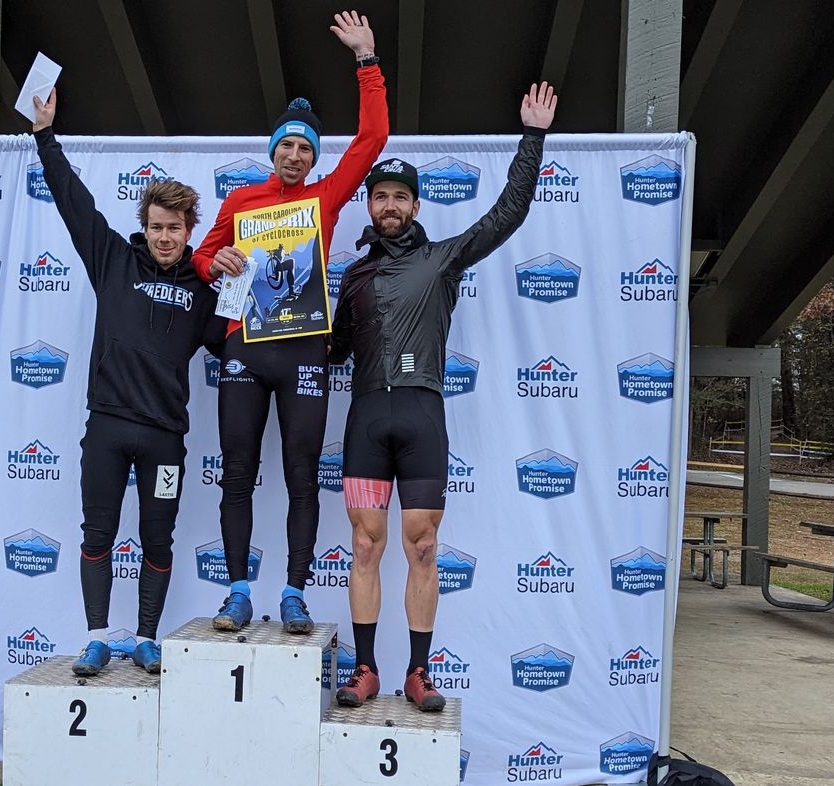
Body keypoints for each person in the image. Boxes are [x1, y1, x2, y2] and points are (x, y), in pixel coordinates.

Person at [329, 82, 558, 710]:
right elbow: (331, 351)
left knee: (423, 545)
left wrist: (532, 136)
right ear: (369, 206)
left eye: (401, 196)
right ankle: (367, 668)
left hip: (424, 412)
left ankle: (419, 672)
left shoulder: (444, 257)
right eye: (381, 197)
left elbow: (507, 214)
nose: (390, 206)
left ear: (415, 204)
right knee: (366, 544)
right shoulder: (352, 275)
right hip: (367, 417)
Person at [192, 10, 388, 634]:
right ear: (272, 150)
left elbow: (372, 142)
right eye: (288, 145)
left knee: (303, 478)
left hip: (304, 350)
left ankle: (296, 592)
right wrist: (212, 260)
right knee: (238, 474)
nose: (296, 155)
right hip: (245, 350)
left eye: (306, 147)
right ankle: (238, 592)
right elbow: (202, 256)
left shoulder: (324, 197)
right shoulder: (240, 199)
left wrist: (367, 62)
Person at [30, 88, 224, 676]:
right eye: (158, 227)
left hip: (165, 438)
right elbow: (74, 203)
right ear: (145, 226)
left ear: (192, 230)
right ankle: (96, 636)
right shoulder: (113, 260)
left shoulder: (205, 289)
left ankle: (145, 637)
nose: (167, 237)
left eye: (177, 229)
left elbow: (241, 339)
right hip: (109, 428)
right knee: (99, 532)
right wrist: (45, 134)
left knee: (157, 540)